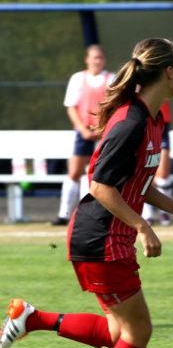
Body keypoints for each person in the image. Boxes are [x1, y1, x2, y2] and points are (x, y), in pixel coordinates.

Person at [1, 38, 173, 348]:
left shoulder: (152, 118)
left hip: (109, 235)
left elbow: (136, 180)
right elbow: (101, 186)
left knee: (119, 332)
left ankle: (32, 319)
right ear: (169, 72)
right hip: (100, 237)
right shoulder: (130, 121)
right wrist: (143, 227)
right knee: (138, 330)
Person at [53, 45, 115, 226]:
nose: (97, 61)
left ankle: (93, 213)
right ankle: (64, 213)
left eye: (100, 57)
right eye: (94, 57)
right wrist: (83, 129)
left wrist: (103, 127)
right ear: (87, 59)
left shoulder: (111, 79)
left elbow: (115, 106)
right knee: (74, 172)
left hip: (104, 132)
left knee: (98, 174)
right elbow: (71, 106)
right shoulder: (78, 79)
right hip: (83, 132)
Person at [141, 100, 173, 226]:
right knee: (144, 172)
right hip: (142, 120)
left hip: (162, 120)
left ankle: (165, 211)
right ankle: (146, 213)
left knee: (163, 174)